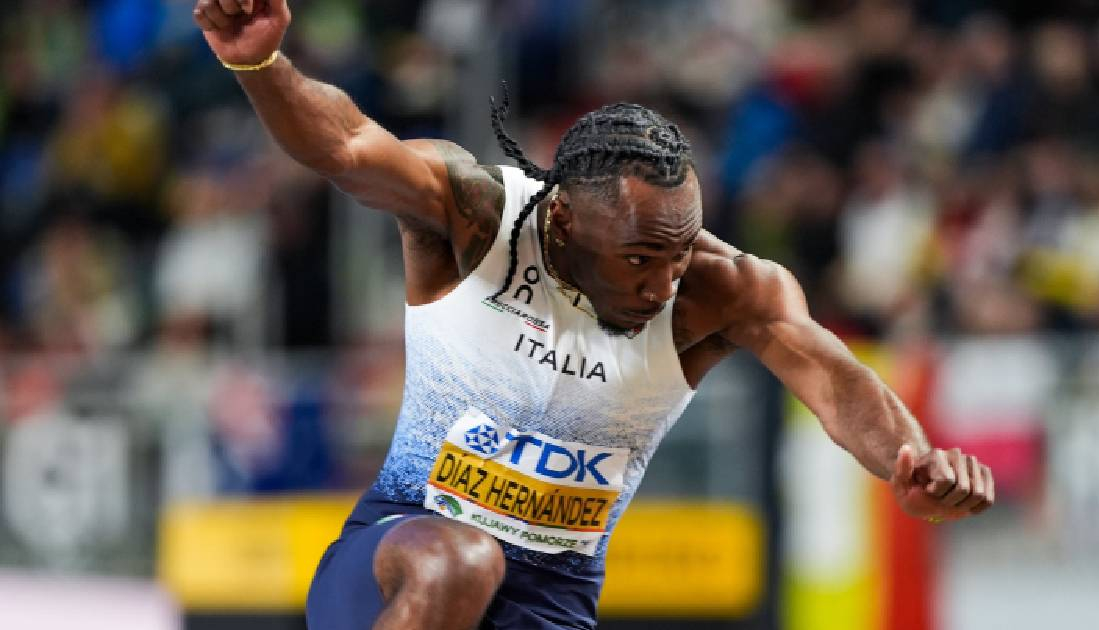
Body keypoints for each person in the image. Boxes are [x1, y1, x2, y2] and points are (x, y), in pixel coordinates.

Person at [194, 1, 995, 628]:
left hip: (550, 602)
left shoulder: (723, 288)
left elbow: (835, 376)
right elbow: (343, 144)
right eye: (639, 260)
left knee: (481, 567)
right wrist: (261, 63)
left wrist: (909, 460)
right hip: (399, 564)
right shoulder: (476, 218)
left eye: (678, 254)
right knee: (462, 560)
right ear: (566, 222)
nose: (663, 286)